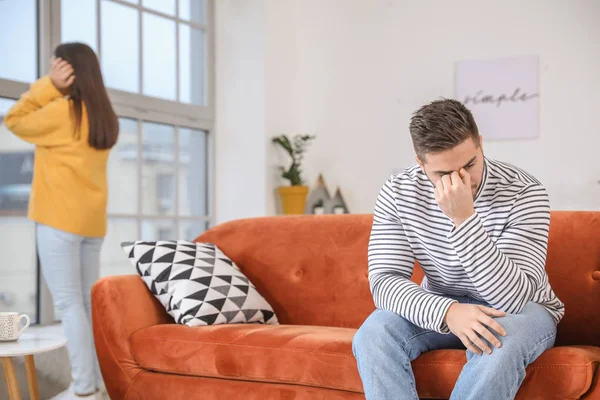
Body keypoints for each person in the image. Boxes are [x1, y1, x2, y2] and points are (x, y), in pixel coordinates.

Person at [353, 99, 564, 400]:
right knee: (374, 334)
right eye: (443, 174)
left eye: (469, 165)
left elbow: (513, 298)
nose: (461, 181)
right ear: (420, 163)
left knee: (498, 342)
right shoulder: (399, 191)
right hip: (444, 304)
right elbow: (385, 283)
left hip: (523, 308)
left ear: (479, 143)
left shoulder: (525, 192)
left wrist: (463, 218)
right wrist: (448, 311)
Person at [5, 42, 119, 399]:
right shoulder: (102, 115)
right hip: (90, 224)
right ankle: (96, 385)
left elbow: (14, 119)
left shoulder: (62, 112)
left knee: (70, 305)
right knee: (84, 305)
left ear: (67, 71)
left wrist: (48, 86)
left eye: (56, 67)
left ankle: (84, 389)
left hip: (59, 220)